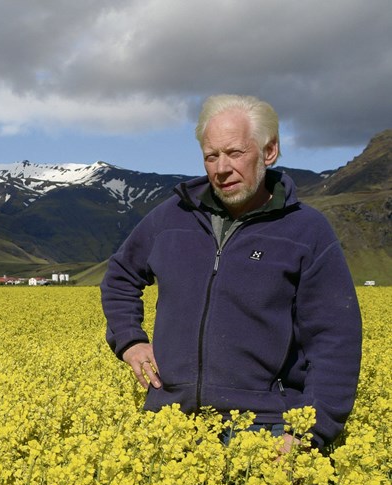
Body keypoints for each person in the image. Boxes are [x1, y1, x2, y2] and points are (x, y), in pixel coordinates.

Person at [100, 94, 362, 452]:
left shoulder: (306, 231)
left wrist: (309, 433)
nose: (221, 168)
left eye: (235, 153)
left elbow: (335, 339)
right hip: (172, 424)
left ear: (269, 152)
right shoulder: (172, 218)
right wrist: (129, 339)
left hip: (264, 432)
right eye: (211, 156)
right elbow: (121, 274)